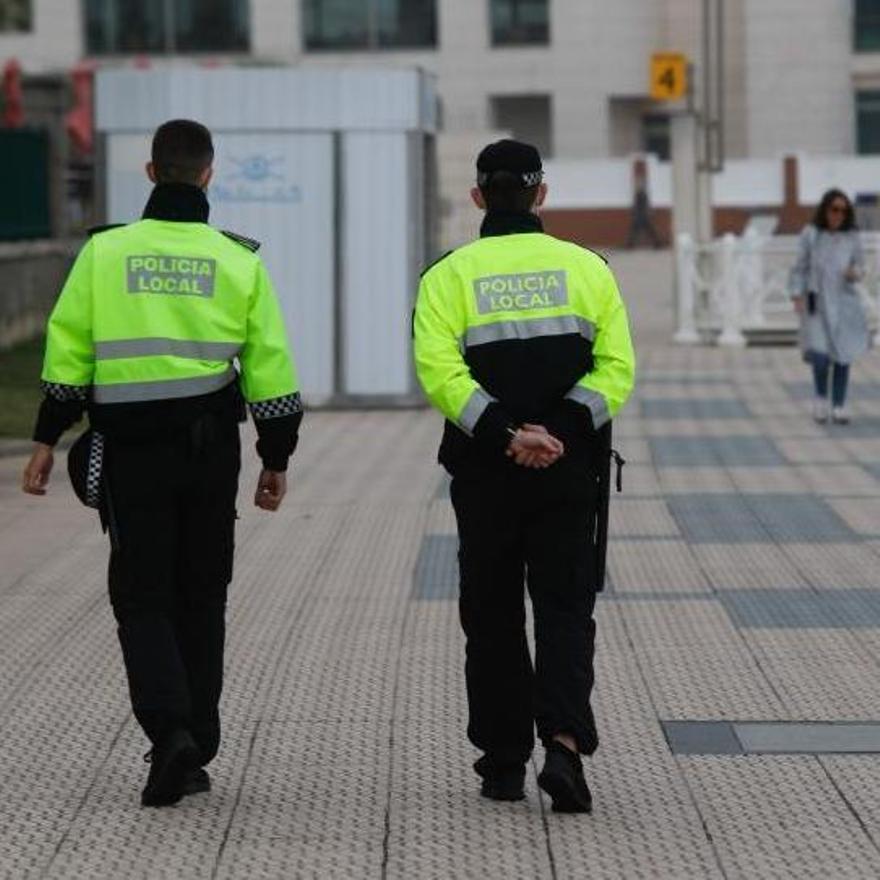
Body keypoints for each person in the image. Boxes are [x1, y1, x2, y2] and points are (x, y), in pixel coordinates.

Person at [22, 119, 302, 807]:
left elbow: (69, 351)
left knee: (141, 596)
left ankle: (169, 732)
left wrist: (45, 440)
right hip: (211, 455)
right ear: (208, 175)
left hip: (130, 454)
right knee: (203, 594)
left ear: (151, 173)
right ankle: (196, 744)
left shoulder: (105, 253)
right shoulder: (239, 259)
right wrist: (276, 456)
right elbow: (269, 364)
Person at [413, 140, 635, 814]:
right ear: (541, 195)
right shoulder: (587, 269)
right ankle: (564, 745)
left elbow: (441, 374)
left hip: (486, 477)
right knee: (566, 609)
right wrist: (559, 432)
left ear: (480, 197)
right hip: (569, 474)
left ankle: (504, 764)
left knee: (493, 614)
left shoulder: (447, 275)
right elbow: (615, 370)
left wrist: (509, 434)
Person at [790, 188, 869, 424]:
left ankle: (839, 405)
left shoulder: (852, 236)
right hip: (817, 303)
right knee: (821, 356)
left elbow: (863, 267)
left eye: (844, 211)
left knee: (843, 355)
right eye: (834, 209)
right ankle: (821, 399)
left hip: (844, 303)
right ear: (825, 210)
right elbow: (799, 266)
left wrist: (854, 273)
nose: (839, 215)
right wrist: (796, 294)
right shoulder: (811, 234)